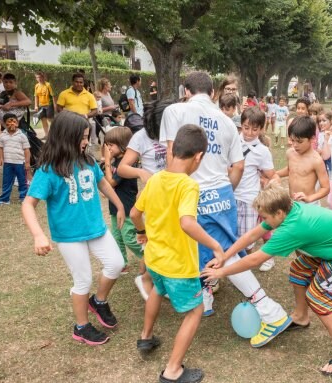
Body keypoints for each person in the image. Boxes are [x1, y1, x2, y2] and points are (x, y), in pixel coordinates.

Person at [160, 71, 291, 346]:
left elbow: (172, 158)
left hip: (191, 191)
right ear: (212, 92)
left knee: (224, 253)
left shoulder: (174, 111)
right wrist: (225, 191)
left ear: (186, 91)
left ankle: (270, 310)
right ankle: (205, 294)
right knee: (205, 248)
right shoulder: (227, 121)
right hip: (221, 191)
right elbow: (238, 166)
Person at [201, 183, 332, 377]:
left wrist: (221, 272)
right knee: (299, 269)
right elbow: (251, 235)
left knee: (318, 298)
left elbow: (256, 258)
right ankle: (301, 317)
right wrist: (224, 256)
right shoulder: (286, 211)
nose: (262, 221)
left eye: (264, 217)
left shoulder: (292, 228)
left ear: (280, 212)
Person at [22, 111, 125, 345]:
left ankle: (98, 301)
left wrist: (118, 204)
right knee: (83, 281)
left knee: (116, 264)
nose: (86, 142)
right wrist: (38, 235)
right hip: (69, 236)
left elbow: (101, 182)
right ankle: (81, 327)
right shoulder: (49, 170)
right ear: (66, 137)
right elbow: (28, 204)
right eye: (82, 137)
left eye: (87, 136)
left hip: (96, 228)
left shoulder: (87, 160)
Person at [131, 124, 218, 383]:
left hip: (154, 260)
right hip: (178, 266)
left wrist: (142, 232)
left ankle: (146, 337)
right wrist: (215, 245)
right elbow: (187, 223)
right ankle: (172, 370)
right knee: (196, 310)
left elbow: (136, 214)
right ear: (199, 157)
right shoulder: (188, 185)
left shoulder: (155, 178)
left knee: (158, 290)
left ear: (174, 149)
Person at [118, 99, 172, 300]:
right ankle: (145, 277)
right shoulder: (141, 137)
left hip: (172, 192)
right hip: (154, 196)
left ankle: (155, 278)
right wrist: (141, 172)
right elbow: (123, 168)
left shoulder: (173, 133)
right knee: (155, 239)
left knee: (164, 239)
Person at [234, 107, 276, 268]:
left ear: (261, 129)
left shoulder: (262, 151)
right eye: (246, 127)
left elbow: (271, 174)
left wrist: (271, 183)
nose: (249, 132)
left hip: (248, 199)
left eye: (254, 129)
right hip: (229, 196)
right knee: (231, 235)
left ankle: (243, 267)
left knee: (247, 238)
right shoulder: (232, 141)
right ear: (241, 125)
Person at [102, 127, 142, 272]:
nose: (108, 149)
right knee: (116, 237)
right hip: (115, 207)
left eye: (111, 145)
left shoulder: (125, 164)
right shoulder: (116, 161)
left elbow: (111, 182)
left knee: (129, 238)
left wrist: (107, 160)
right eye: (107, 145)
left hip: (126, 207)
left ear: (122, 145)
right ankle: (122, 263)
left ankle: (148, 256)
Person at [276, 116, 329, 204]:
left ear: (312, 138)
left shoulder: (316, 161)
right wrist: (274, 174)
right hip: (293, 203)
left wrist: (309, 198)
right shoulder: (290, 153)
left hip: (309, 205)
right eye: (292, 140)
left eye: (299, 141)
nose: (295, 145)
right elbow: (290, 169)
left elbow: (326, 188)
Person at [0, 113, 30, 206]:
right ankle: (5, 199)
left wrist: (27, 162)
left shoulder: (22, 135)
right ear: (5, 124)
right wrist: (1, 158)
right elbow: (0, 148)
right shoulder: (2, 136)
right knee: (7, 181)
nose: (12, 123)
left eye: (14, 121)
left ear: (17, 123)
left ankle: (23, 197)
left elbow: (26, 150)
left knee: (22, 181)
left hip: (20, 162)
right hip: (8, 163)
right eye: (9, 121)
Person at [33, 71, 57, 138]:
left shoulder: (48, 85)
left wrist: (55, 105)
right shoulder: (36, 86)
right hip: (41, 106)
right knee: (43, 120)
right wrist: (36, 105)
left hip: (49, 104)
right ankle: (46, 135)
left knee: (50, 119)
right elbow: (36, 96)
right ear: (36, 78)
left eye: (40, 77)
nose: (39, 79)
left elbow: (53, 95)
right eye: (37, 77)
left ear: (43, 77)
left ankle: (54, 133)